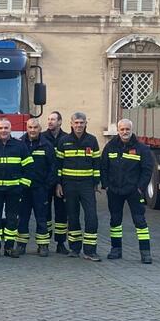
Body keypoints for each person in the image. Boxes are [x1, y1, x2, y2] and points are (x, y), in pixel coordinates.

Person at [101, 118, 154, 264]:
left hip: (133, 191)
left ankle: (145, 252)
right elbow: (103, 166)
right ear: (118, 130)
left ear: (131, 130)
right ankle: (115, 249)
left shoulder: (141, 149)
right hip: (114, 191)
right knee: (115, 221)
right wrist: (106, 185)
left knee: (140, 221)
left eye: (127, 129)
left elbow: (147, 170)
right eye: (122, 129)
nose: (125, 132)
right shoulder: (110, 146)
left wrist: (140, 188)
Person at [0, 118, 33, 258]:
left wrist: (22, 186)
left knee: (12, 218)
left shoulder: (20, 146)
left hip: (14, 190)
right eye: (1, 128)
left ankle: (9, 247)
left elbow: (29, 168)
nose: (3, 130)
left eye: (6, 128)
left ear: (10, 129)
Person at [55, 112, 102, 262]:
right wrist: (58, 184)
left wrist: (96, 182)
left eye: (81, 123)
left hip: (87, 185)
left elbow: (97, 164)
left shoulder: (92, 141)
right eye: (76, 122)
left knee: (91, 216)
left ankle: (90, 251)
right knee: (73, 217)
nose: (79, 125)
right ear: (71, 124)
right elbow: (58, 165)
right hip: (69, 185)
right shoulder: (64, 141)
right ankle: (74, 249)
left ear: (86, 124)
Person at [17, 118, 56, 257]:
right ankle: (21, 245)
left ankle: (43, 245)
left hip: (40, 188)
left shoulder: (47, 145)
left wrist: (47, 186)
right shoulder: (19, 144)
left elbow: (53, 167)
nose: (32, 130)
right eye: (30, 127)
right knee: (23, 218)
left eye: (35, 127)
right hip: (24, 189)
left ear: (40, 128)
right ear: (26, 128)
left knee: (42, 218)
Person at [41, 110, 69, 253]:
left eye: (53, 119)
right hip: (45, 182)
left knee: (61, 214)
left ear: (60, 122)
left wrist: (59, 182)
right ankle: (44, 242)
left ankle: (60, 243)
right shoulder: (42, 137)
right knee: (45, 213)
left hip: (61, 183)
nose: (50, 122)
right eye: (49, 119)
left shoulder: (66, 138)